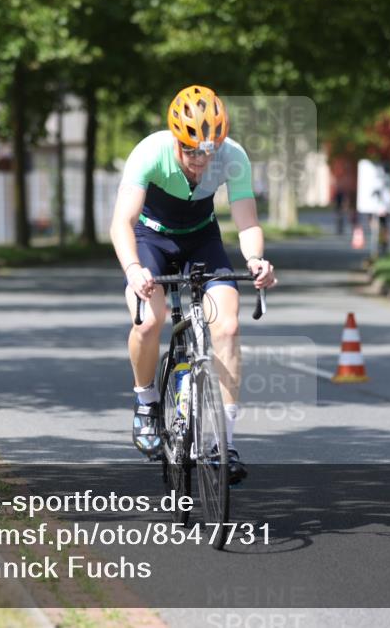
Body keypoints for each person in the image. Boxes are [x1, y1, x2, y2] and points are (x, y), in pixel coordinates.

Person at [109, 85, 277, 483]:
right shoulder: (150, 153)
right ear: (175, 139)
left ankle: (225, 444)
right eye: (191, 152)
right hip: (151, 239)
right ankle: (146, 401)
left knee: (229, 325)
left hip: (202, 238)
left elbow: (247, 222)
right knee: (149, 321)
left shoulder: (232, 156)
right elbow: (121, 223)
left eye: (208, 152)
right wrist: (134, 269)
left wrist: (255, 260)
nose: (201, 162)